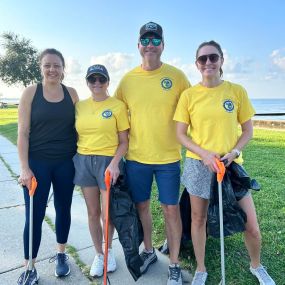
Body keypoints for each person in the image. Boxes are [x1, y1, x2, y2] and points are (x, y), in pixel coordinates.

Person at [174, 40, 276, 285]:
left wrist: (234, 151)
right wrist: (205, 154)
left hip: (231, 166)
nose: (208, 62)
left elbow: (247, 130)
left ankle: (256, 266)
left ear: (221, 60)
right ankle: (201, 269)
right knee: (198, 220)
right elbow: (180, 134)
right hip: (199, 165)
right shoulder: (189, 95)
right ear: (196, 64)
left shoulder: (236, 90)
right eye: (203, 59)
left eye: (213, 57)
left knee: (251, 225)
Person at [114, 22, 190, 285]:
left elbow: (193, 110)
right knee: (142, 207)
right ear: (138, 46)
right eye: (145, 40)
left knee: (171, 210)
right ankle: (148, 251)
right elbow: (114, 117)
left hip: (168, 159)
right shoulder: (127, 80)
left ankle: (175, 264)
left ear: (163, 46)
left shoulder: (177, 77)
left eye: (156, 40)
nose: (150, 44)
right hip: (136, 158)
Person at [17, 48, 79, 284]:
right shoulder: (31, 93)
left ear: (64, 69)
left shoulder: (72, 94)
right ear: (40, 67)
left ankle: (61, 254)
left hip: (66, 163)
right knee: (35, 214)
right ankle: (29, 266)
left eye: (57, 65)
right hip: (37, 163)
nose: (52, 69)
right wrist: (24, 168)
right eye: (47, 65)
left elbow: (79, 129)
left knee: (64, 209)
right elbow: (23, 133)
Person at [73, 64, 129, 277]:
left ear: (107, 82)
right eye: (92, 79)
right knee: (93, 212)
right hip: (84, 161)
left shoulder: (117, 106)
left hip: (108, 162)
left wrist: (115, 163)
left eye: (101, 79)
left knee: (108, 214)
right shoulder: (80, 106)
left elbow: (124, 141)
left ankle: (109, 251)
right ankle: (98, 254)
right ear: (87, 82)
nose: (97, 84)